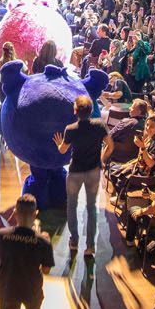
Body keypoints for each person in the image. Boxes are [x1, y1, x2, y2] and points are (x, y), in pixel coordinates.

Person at [55, 95, 110, 258]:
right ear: (91, 110)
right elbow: (110, 145)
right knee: (91, 207)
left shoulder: (70, 129)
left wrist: (59, 143)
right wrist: (101, 159)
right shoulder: (99, 125)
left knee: (71, 205)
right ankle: (90, 246)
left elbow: (62, 150)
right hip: (93, 171)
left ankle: (74, 240)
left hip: (75, 171)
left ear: (75, 111)